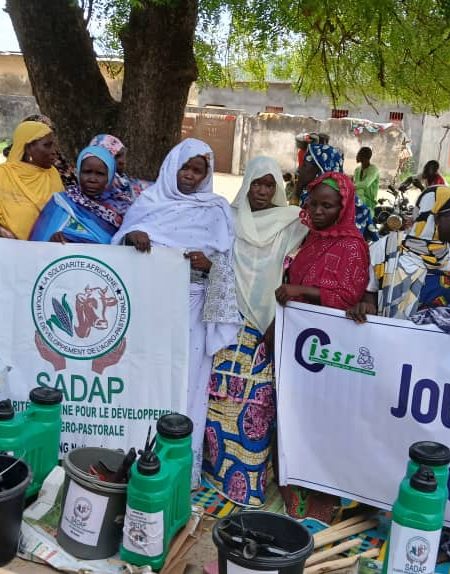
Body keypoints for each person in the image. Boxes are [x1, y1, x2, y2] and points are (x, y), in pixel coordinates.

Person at [112, 138, 241, 487]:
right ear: (173, 166)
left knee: (187, 382)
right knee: (145, 375)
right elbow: (119, 243)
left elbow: (229, 264)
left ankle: (180, 468)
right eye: (186, 167)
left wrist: (209, 264)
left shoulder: (216, 210)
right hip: (149, 306)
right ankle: (134, 455)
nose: (190, 175)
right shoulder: (149, 202)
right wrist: (132, 237)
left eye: (198, 170)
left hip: (193, 307)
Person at [202, 156, 308, 507]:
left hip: (268, 324)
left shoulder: (291, 222)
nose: (261, 191)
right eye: (256, 183)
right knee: (220, 396)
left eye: (268, 185)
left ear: (277, 188)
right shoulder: (228, 218)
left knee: (257, 403)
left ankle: (247, 484)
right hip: (228, 319)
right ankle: (215, 472)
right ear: (246, 184)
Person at [275, 171, 369, 521]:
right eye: (313, 204)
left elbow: (348, 297)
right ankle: (293, 486)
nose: (317, 211)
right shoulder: (311, 239)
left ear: (342, 208)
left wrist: (301, 292)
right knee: (293, 414)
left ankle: (323, 494)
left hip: (330, 348)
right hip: (298, 341)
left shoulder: (353, 246)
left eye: (326, 206)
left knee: (324, 419)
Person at [347, 185, 450, 325]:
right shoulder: (386, 249)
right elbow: (369, 293)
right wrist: (366, 307)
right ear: (435, 217)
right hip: (390, 334)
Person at [30, 145, 131, 244]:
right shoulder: (61, 203)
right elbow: (39, 244)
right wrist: (53, 241)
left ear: (110, 176)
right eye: (87, 172)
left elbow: (124, 242)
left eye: (100, 174)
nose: (92, 179)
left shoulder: (122, 208)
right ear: (78, 172)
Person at [295, 142, 379, 242]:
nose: (299, 170)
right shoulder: (307, 196)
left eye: (304, 165)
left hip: (368, 202)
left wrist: (348, 187)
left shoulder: (347, 208)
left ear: (321, 168)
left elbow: (365, 184)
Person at [0, 120, 63, 240]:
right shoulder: (4, 174)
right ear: (28, 148)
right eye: (47, 145)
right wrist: (3, 233)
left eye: (54, 145)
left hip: (47, 249)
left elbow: (61, 213)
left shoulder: (52, 174)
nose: (54, 151)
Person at [90, 134, 148, 200]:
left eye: (123, 155)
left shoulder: (125, 183)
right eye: (116, 156)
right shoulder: (102, 189)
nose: (123, 161)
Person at [353, 147, 379, 215]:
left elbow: (365, 184)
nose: (357, 156)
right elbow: (355, 184)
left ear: (365, 157)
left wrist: (351, 186)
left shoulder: (374, 170)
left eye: (359, 154)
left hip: (369, 203)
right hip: (357, 201)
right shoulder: (357, 170)